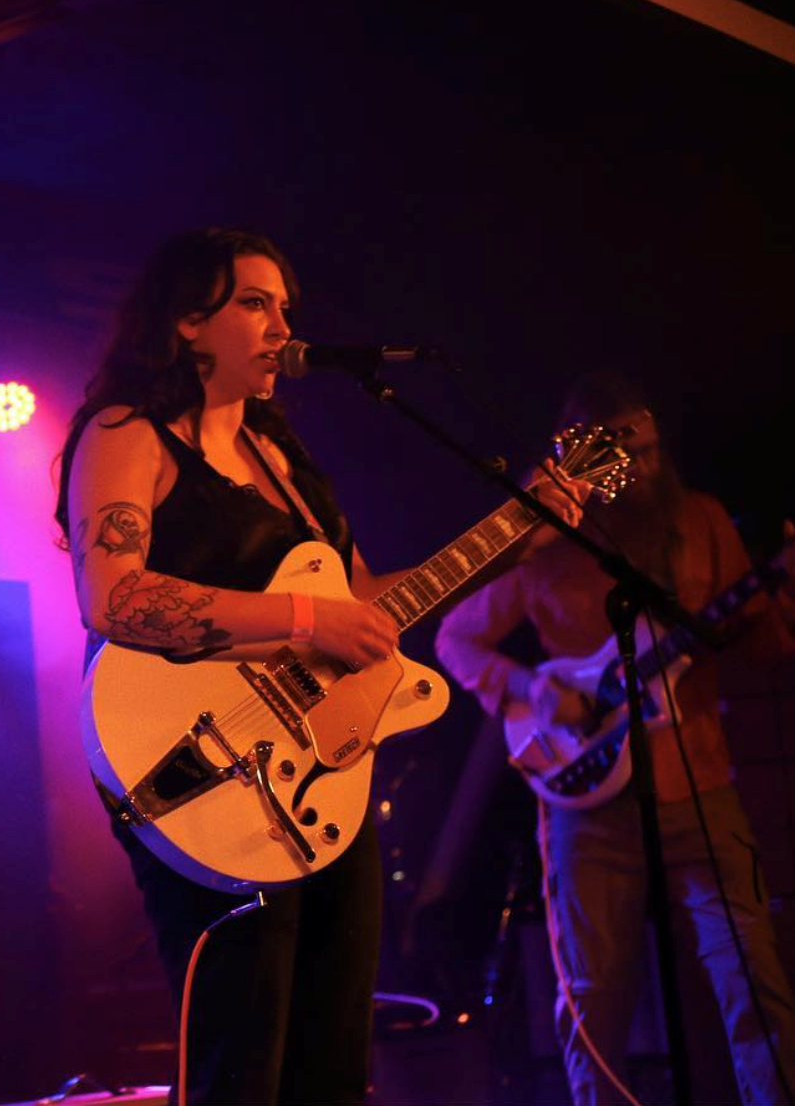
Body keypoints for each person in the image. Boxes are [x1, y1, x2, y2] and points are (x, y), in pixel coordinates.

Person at [54, 227, 585, 1106]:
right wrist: (306, 620)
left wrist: (510, 541)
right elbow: (114, 597)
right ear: (187, 322)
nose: (278, 325)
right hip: (196, 766)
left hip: (315, 777)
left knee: (334, 1062)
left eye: (285, 308)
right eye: (253, 303)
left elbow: (366, 605)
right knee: (242, 1060)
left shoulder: (284, 459)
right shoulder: (125, 432)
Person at [434, 371, 795, 1106]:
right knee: (594, 998)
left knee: (753, 976)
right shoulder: (543, 546)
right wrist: (533, 687)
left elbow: (757, 646)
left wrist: (775, 606)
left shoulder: (700, 520)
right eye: (624, 457)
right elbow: (456, 636)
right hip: (587, 803)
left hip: (699, 782)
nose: (643, 472)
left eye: (652, 451)